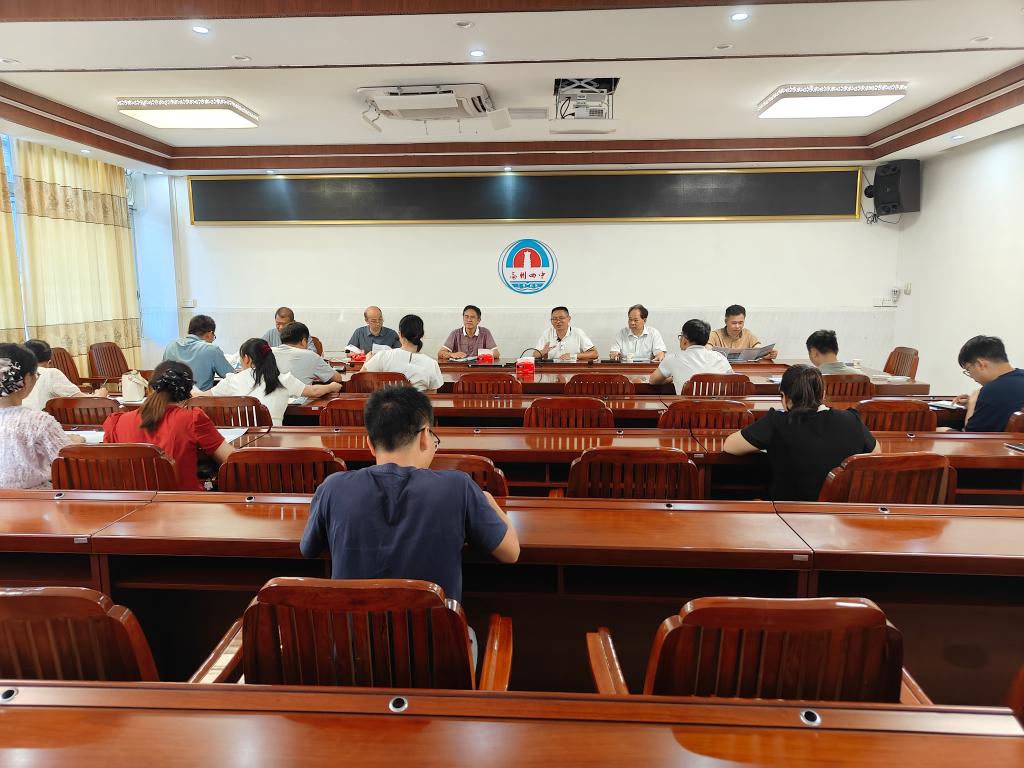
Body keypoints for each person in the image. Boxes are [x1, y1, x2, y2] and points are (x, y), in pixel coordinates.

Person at [300, 386, 519, 609]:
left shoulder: (332, 487)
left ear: (370, 444)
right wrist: (488, 499)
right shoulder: (459, 486)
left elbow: (308, 549)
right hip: (434, 632)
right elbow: (511, 553)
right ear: (424, 436)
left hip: (353, 631)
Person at [723, 364, 879, 501]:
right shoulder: (852, 419)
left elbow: (730, 446)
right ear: (823, 394)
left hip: (786, 516)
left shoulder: (777, 421)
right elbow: (876, 453)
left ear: (784, 396)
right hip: (840, 516)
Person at [102, 361, 234, 491]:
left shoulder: (117, 422)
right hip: (183, 501)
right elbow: (232, 459)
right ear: (188, 394)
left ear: (149, 388)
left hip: (132, 501)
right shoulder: (193, 419)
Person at [192, 338, 342, 426]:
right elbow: (314, 391)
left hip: (241, 446)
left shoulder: (233, 380)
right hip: (275, 443)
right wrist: (332, 386)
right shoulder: (283, 379)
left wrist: (189, 387)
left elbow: (200, 398)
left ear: (246, 359)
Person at [0, 343, 83, 489]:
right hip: (35, 499)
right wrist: (76, 442)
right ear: (26, 380)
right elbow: (69, 460)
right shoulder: (39, 421)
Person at [955, 336, 1024, 432]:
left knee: (941, 430)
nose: (971, 376)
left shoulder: (992, 390)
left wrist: (973, 401)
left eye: (968, 370)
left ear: (980, 364)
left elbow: (971, 435)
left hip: (1000, 442)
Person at [650, 319, 734, 395]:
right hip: (717, 407)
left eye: (681, 336)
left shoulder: (672, 359)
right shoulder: (720, 357)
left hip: (687, 407)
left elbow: (653, 380)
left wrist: (672, 378)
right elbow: (734, 380)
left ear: (684, 340)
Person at [363, 314, 444, 392]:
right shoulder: (431, 363)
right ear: (422, 335)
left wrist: (367, 361)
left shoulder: (382, 356)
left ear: (400, 334)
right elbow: (431, 395)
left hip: (387, 401)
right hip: (416, 402)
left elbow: (361, 378)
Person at [22, 339, 107, 410]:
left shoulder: (17, 375)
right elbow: (84, 401)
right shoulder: (50, 373)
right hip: (43, 422)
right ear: (49, 362)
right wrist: (101, 394)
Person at [163, 314, 233, 391]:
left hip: (171, 397)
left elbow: (163, 374)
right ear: (210, 334)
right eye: (214, 336)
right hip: (198, 398)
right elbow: (233, 378)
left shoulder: (171, 345)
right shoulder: (212, 349)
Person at [273, 322, 344, 385]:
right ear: (304, 341)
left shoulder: (270, 352)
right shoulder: (310, 355)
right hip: (301, 396)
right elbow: (337, 378)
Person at [708, 304, 779, 361]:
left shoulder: (747, 333)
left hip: (744, 370)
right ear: (726, 321)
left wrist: (765, 355)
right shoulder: (715, 335)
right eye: (734, 323)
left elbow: (757, 349)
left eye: (740, 323)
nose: (737, 326)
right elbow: (706, 352)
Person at [533, 306, 597, 361]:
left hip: (574, 368)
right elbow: (534, 355)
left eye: (561, 318)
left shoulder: (578, 332)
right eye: (554, 319)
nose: (558, 321)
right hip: (552, 368)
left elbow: (595, 353)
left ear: (569, 319)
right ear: (551, 321)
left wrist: (573, 356)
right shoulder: (547, 333)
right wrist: (543, 352)